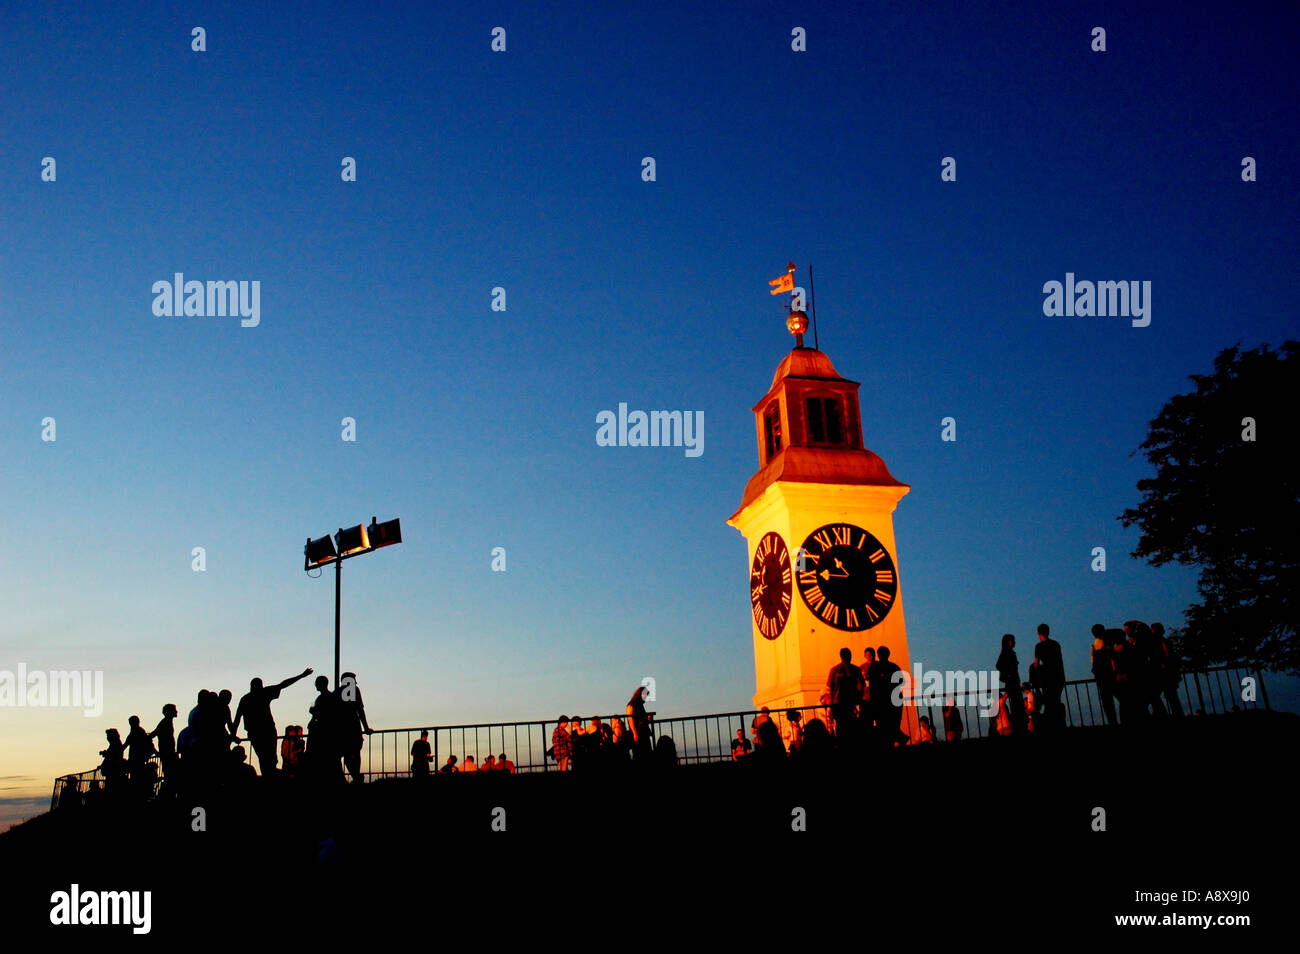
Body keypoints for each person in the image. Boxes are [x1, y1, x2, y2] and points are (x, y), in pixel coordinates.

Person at [233, 667, 313, 776]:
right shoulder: (262, 693)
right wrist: (301, 676)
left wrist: (233, 734)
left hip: (259, 732)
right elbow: (283, 684)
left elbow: (237, 718)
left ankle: (269, 776)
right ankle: (271, 776)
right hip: (265, 731)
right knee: (268, 758)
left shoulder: (247, 698)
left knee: (265, 758)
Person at [336, 671, 374, 784]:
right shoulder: (353, 690)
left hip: (342, 729)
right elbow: (360, 710)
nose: (356, 682)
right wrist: (366, 728)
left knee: (346, 755)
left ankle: (354, 777)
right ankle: (357, 777)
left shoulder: (337, 692)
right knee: (354, 755)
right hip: (353, 728)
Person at [307, 676, 344, 782]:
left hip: (323, 735)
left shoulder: (325, 698)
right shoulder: (329, 697)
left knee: (327, 762)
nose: (315, 685)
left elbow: (325, 715)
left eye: (316, 683)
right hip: (326, 734)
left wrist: (314, 714)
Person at [1031, 623, 1066, 731]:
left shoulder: (1039, 646)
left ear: (1039, 634)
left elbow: (1036, 664)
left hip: (1048, 679)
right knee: (1056, 701)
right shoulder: (1056, 644)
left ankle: (1052, 726)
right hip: (1059, 677)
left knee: (1050, 703)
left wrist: (1034, 679)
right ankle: (1059, 724)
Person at [826, 648, 865, 742]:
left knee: (841, 727)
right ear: (850, 656)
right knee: (851, 727)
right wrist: (858, 698)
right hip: (850, 703)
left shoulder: (835, 670)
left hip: (839, 703)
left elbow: (829, 688)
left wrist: (831, 705)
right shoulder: (855, 669)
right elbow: (861, 684)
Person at [870, 647, 905, 746]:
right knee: (893, 725)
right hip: (894, 701)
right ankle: (899, 740)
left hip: (881, 702)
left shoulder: (875, 667)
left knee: (883, 727)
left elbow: (873, 685)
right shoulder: (894, 667)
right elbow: (900, 682)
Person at [995, 635, 1025, 735]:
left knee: (1017, 706)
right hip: (1013, 683)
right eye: (1013, 641)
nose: (1014, 642)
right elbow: (998, 665)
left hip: (1013, 682)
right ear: (1009, 642)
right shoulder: (1007, 653)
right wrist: (1009, 674)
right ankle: (1019, 726)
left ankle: (1019, 725)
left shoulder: (1007, 652)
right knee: (1017, 706)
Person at [1152, 623, 1184, 716]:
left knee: (1168, 696)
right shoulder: (1164, 642)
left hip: (1164, 673)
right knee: (1170, 696)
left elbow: (1168, 656)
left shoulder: (1162, 642)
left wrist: (1164, 665)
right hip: (1166, 672)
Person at [1090, 624, 1117, 726]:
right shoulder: (1106, 645)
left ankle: (1112, 722)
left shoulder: (1095, 646)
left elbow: (1093, 661)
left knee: (1107, 702)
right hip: (1109, 675)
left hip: (1101, 677)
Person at [123, 715, 156, 791]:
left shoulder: (136, 732)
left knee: (135, 779)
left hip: (136, 760)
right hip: (138, 760)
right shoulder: (139, 732)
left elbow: (125, 745)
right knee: (136, 779)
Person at [150, 704, 179, 785]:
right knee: (170, 778)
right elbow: (150, 736)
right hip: (167, 755)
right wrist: (155, 751)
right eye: (174, 709)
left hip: (168, 754)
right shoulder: (164, 723)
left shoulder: (166, 722)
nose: (176, 711)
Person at [627, 687, 653, 762]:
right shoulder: (631, 705)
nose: (645, 697)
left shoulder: (639, 705)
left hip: (643, 731)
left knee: (646, 752)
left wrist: (646, 718)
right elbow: (630, 719)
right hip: (638, 732)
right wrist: (635, 733)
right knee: (638, 753)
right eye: (645, 694)